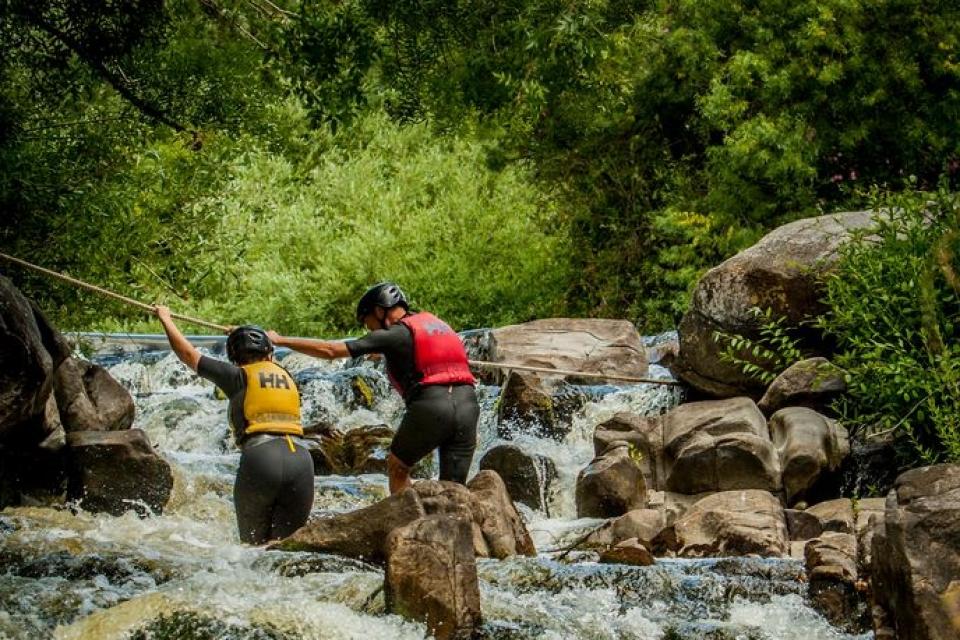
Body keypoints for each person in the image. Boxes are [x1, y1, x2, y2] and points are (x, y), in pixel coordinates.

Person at [266, 283, 479, 494]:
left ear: (379, 311)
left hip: (433, 407)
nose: (369, 330)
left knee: (398, 466)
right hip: (468, 406)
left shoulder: (394, 334)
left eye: (368, 324)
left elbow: (330, 349)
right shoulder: (436, 325)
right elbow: (423, 354)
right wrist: (387, 351)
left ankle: (406, 520)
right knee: (454, 490)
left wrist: (280, 340)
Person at [154, 305, 314, 544]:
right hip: (301, 460)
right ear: (269, 353)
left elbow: (188, 355)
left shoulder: (237, 376)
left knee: (253, 549)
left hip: (261, 459)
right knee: (286, 551)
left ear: (234, 358)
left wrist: (165, 318)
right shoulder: (286, 374)